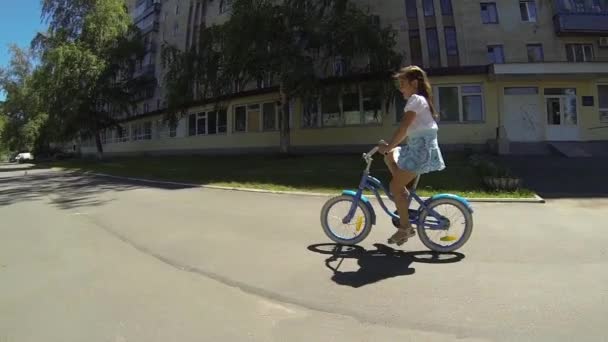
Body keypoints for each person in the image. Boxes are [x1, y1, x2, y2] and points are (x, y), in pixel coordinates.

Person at [377, 65, 446, 246]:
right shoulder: (420, 101)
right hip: (418, 149)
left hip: (420, 152)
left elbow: (404, 128)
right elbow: (410, 131)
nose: (400, 88)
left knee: (393, 185)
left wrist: (389, 145)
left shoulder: (415, 99)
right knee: (390, 156)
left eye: (403, 84)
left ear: (414, 83)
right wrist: (389, 147)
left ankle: (405, 228)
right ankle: (402, 194)